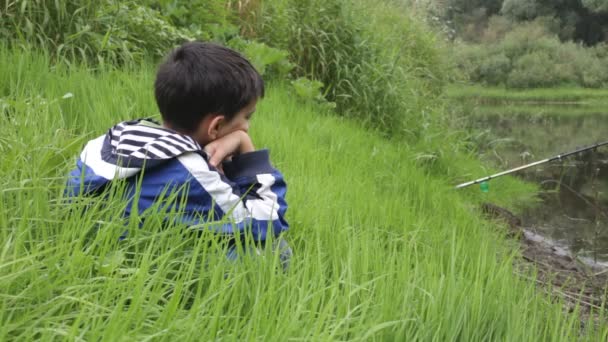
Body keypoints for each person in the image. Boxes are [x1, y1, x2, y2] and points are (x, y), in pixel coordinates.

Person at [66, 42, 290, 265]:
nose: (247, 126)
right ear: (216, 127)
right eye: (247, 117)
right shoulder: (192, 173)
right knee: (278, 250)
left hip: (90, 243)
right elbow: (268, 220)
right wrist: (245, 147)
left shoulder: (116, 135)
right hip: (147, 261)